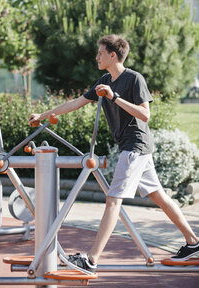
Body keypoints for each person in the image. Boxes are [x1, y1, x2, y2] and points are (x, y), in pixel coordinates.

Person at [28, 34, 199, 273]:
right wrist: (43, 116)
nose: (96, 57)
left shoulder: (133, 79)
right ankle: (194, 243)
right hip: (133, 148)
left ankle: (92, 260)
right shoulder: (105, 79)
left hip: (135, 146)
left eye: (100, 53)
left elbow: (145, 115)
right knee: (158, 195)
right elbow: (77, 102)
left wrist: (114, 97)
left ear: (113, 55)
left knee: (113, 201)